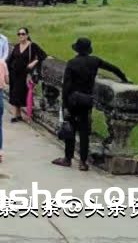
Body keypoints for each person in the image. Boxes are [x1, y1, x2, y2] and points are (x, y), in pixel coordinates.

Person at [52, 38, 128, 171]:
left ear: (77, 49)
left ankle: (68, 158)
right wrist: (124, 79)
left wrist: (64, 106)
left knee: (70, 129)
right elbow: (113, 68)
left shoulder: (72, 63)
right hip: (86, 100)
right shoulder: (94, 61)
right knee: (84, 133)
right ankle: (83, 162)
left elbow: (66, 87)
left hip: (73, 100)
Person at [7, 27, 47, 123]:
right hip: (14, 73)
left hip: (25, 74)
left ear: (27, 35)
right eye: (19, 34)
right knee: (14, 93)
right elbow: (10, 59)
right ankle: (16, 114)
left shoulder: (32, 46)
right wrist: (7, 72)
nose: (21, 36)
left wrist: (34, 62)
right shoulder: (17, 46)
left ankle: (19, 114)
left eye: (23, 34)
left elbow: (43, 55)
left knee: (21, 93)